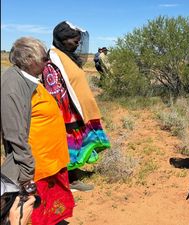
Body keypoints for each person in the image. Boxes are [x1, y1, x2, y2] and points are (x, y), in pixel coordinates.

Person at [1, 37, 74, 224]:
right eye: (44, 58)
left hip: (50, 160)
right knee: (32, 211)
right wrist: (26, 173)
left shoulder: (28, 78)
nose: (47, 61)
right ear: (29, 60)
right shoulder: (13, 86)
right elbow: (14, 133)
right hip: (37, 166)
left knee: (50, 208)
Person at [43, 21, 111, 192]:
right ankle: (70, 181)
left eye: (79, 41)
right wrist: (66, 117)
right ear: (63, 40)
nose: (77, 44)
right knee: (70, 147)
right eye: (74, 41)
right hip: (68, 115)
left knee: (78, 145)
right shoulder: (53, 59)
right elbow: (55, 92)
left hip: (79, 112)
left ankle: (72, 174)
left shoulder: (66, 56)